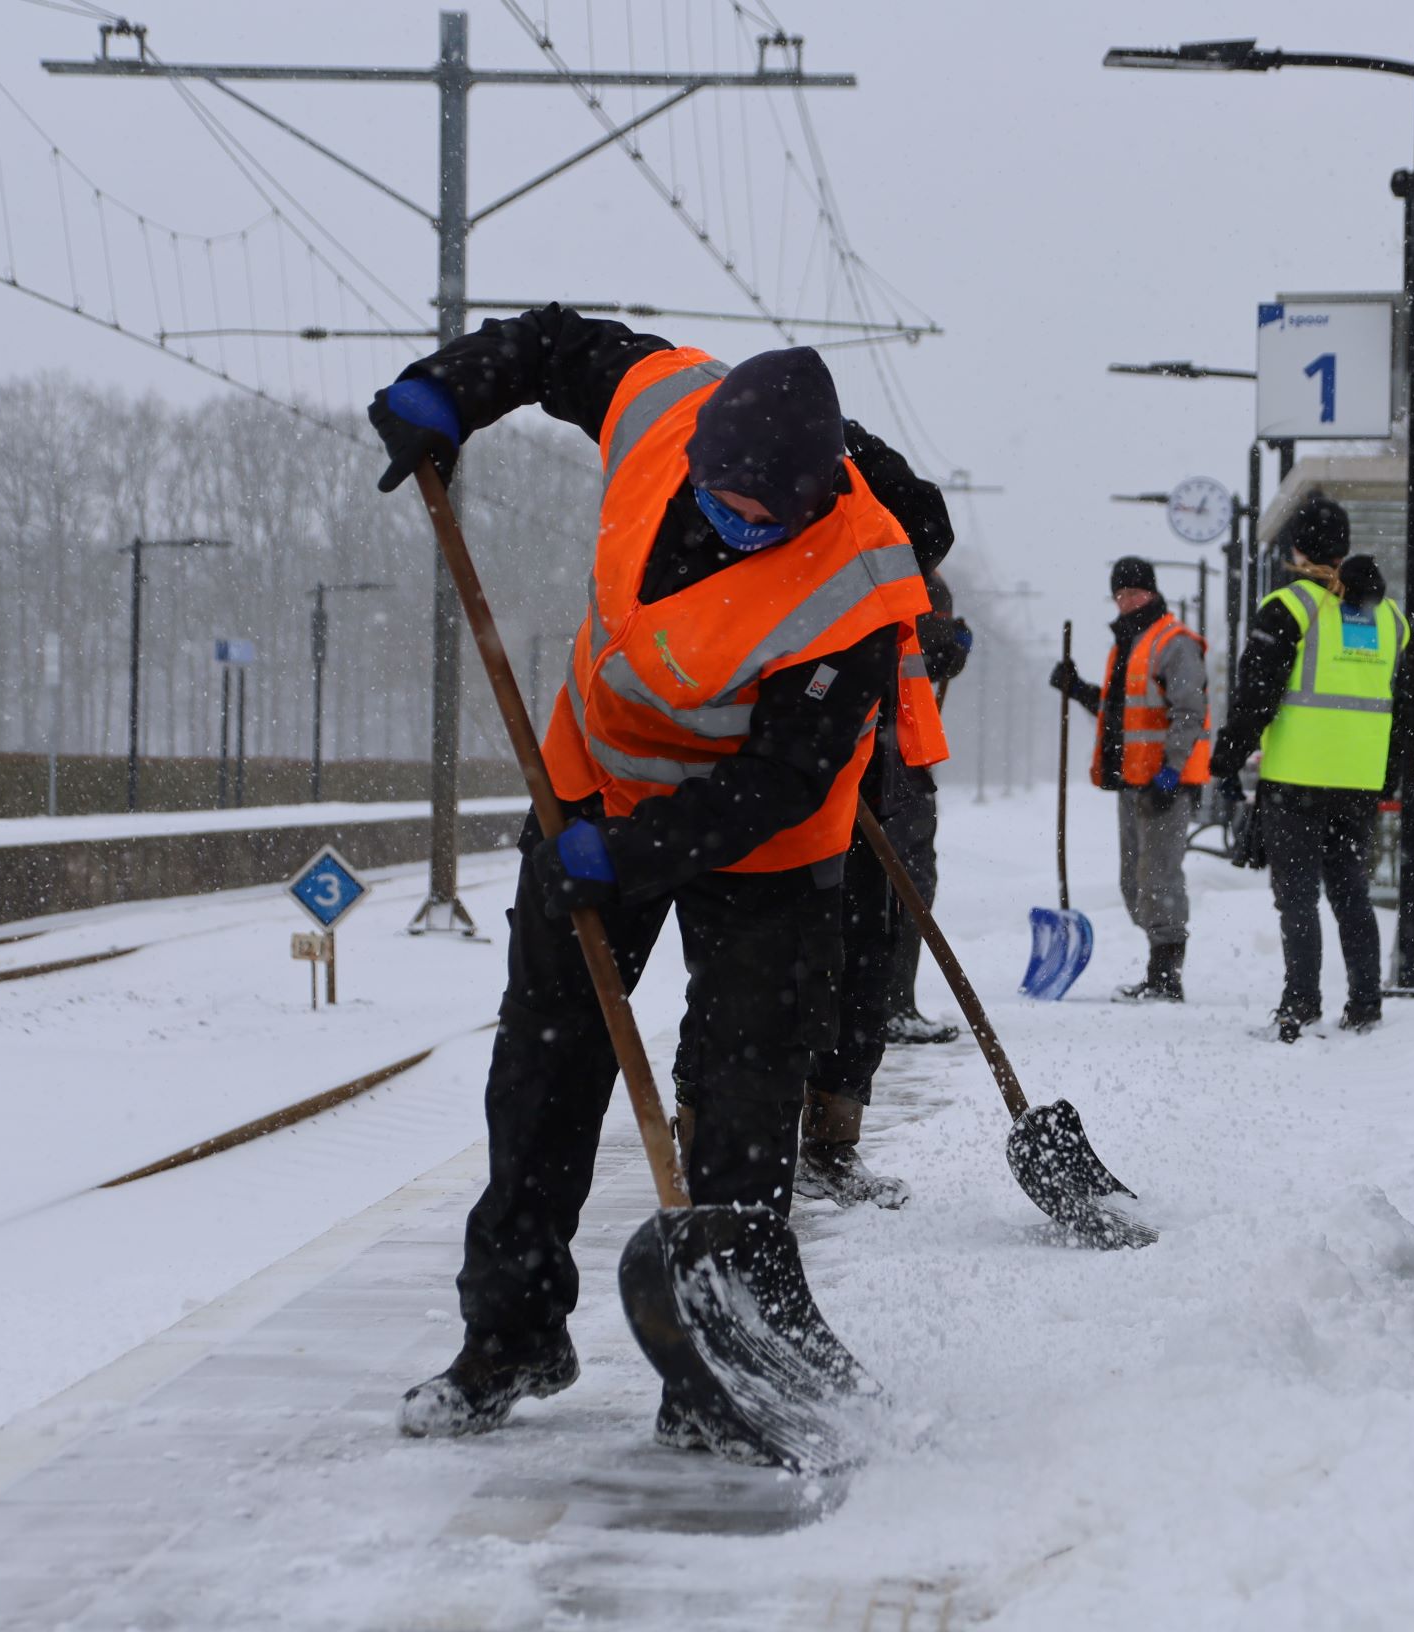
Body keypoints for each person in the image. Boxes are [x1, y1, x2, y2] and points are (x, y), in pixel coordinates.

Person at [366, 304, 947, 1451]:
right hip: (588, 785)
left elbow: (784, 779)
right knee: (541, 1076)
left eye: (761, 517)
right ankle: (513, 1335)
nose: (735, 523)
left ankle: (720, 1366)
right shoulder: (664, 404)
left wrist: (628, 856)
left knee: (738, 1103)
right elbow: (556, 346)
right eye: (720, 498)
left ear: (816, 497)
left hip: (767, 851)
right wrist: (454, 388)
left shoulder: (859, 586)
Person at [1211, 491, 1410, 1041]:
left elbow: (1256, 695)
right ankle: (1366, 1005)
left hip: (1297, 776)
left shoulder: (1288, 608)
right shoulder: (1390, 617)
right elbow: (1408, 710)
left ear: (1295, 548)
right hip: (1358, 783)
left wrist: (1227, 758)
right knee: (1350, 891)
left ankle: (1300, 1005)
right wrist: (1389, 771)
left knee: (1297, 894)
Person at [799, 566, 966, 1208]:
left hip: (884, 787)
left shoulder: (899, 581)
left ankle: (829, 1147)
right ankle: (723, 1148)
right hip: (807, 793)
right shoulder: (835, 572)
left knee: (865, 966)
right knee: (776, 976)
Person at [1048, 556, 1211, 1002]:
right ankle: (1161, 956)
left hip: (1165, 782)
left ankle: (1165, 976)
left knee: (1158, 878)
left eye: (1135, 593)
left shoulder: (1173, 643)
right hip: (1134, 780)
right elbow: (1120, 714)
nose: (1127, 601)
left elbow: (1189, 711)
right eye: (1120, 595)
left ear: (1153, 593)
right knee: (1133, 882)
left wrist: (1172, 770)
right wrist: (1078, 688)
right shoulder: (1129, 645)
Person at [882, 571, 971, 1047]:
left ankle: (882, 1004)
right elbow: (926, 656)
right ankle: (891, 1005)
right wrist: (951, 647)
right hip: (896, 761)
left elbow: (925, 661)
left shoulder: (871, 562)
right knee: (907, 881)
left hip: (888, 755)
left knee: (892, 883)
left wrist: (950, 651)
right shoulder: (917, 580)